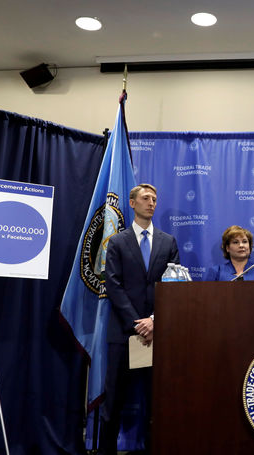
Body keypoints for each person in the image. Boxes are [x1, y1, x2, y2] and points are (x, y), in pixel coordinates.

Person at [101, 183, 179, 455]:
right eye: (146, 198)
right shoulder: (117, 241)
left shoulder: (168, 242)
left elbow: (173, 284)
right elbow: (113, 284)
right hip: (124, 333)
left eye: (155, 199)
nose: (152, 203)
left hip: (158, 332)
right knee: (113, 401)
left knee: (156, 401)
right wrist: (138, 323)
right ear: (132, 204)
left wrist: (155, 320)